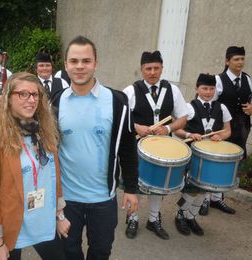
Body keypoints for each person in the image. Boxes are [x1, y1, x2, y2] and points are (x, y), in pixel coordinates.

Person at [52, 36, 138, 260]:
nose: (80, 66)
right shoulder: (55, 102)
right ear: (66, 64)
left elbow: (127, 148)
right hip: (67, 199)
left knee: (100, 252)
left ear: (95, 63)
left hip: (103, 198)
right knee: (68, 252)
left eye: (86, 61)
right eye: (74, 61)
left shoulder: (117, 101)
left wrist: (131, 188)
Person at [0, 72, 70, 260]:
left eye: (35, 94)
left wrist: (59, 215)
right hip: (14, 222)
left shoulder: (44, 128)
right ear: (8, 98)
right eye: (23, 94)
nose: (31, 100)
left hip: (43, 217)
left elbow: (54, 174)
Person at [122, 51, 188, 240]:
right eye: (148, 69)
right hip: (137, 146)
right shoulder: (131, 91)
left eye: (156, 68)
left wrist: (168, 128)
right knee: (134, 184)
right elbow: (122, 117)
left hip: (163, 147)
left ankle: (153, 220)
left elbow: (183, 118)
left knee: (159, 184)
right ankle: (132, 217)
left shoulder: (172, 90)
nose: (152, 72)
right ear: (142, 70)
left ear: (162, 68)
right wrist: (136, 126)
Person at [174, 73, 231, 236]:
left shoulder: (222, 108)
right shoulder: (188, 107)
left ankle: (191, 217)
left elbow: (228, 130)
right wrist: (188, 135)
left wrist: (220, 136)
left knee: (205, 190)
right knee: (191, 190)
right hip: (194, 156)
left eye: (211, 88)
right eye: (204, 88)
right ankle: (180, 214)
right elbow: (177, 129)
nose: (208, 92)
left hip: (212, 158)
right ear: (197, 88)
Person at [199, 46, 251, 215]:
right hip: (221, 128)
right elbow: (209, 105)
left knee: (229, 163)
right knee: (215, 161)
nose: (240, 62)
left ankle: (217, 198)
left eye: (242, 59)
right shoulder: (218, 80)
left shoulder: (248, 80)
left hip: (242, 128)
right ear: (227, 61)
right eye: (236, 59)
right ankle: (205, 199)